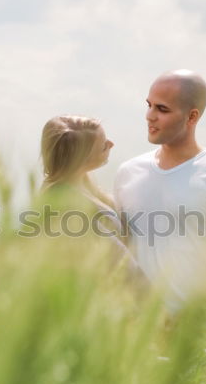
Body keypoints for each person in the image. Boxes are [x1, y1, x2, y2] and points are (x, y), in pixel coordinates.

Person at [113, 70, 206, 304]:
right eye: (149, 105)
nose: (150, 116)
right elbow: (121, 254)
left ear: (192, 117)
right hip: (138, 331)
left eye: (162, 109)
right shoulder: (127, 173)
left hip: (200, 330)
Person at [39, 115, 144, 283]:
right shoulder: (70, 208)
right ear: (83, 159)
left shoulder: (81, 182)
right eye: (104, 146)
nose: (111, 144)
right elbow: (124, 267)